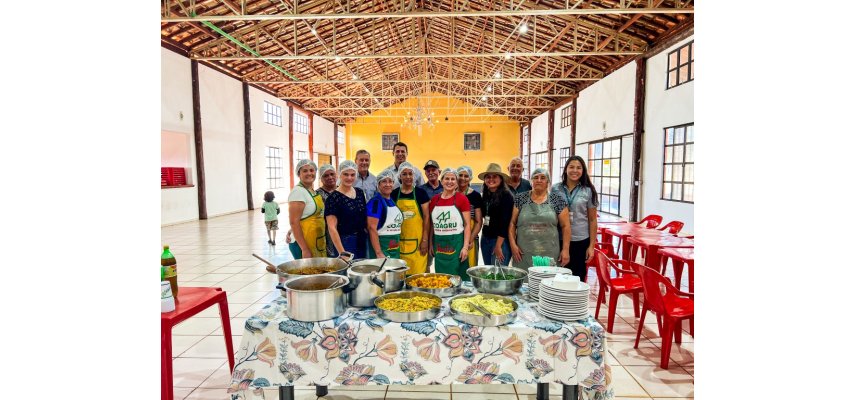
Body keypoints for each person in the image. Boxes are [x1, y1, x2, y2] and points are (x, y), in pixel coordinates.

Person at [508, 168, 571, 271]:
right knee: (524, 283)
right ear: (531, 181)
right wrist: (513, 245)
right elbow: (512, 223)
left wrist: (565, 249)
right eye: (535, 177)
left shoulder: (557, 200)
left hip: (550, 252)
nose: (539, 180)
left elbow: (566, 226)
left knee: (548, 282)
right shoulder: (520, 198)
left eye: (543, 178)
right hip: (523, 253)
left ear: (548, 182)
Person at [552, 155, 599, 282]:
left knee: (577, 277)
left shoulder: (588, 191)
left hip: (580, 240)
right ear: (566, 169)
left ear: (583, 170)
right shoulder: (555, 189)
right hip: (559, 238)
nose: (575, 170)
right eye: (571, 167)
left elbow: (592, 220)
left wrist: (591, 246)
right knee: (558, 276)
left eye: (579, 168)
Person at [428, 168, 471, 280]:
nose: (450, 181)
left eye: (453, 179)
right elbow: (432, 225)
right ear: (441, 181)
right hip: (439, 246)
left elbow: (467, 225)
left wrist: (465, 247)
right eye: (447, 178)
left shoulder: (462, 199)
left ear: (456, 183)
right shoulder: (434, 200)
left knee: (458, 279)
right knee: (441, 279)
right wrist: (430, 244)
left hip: (457, 245)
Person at [392, 162, 431, 275]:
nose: (408, 177)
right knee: (400, 276)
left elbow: (426, 217)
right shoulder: (394, 194)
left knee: (417, 277)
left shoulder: (421, 193)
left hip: (418, 244)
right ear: (399, 176)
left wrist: (425, 240)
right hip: (399, 242)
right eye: (404, 174)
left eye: (410, 174)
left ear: (414, 176)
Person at [325, 160, 368, 258]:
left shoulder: (360, 193)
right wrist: (342, 253)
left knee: (361, 271)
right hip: (345, 242)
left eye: (352, 175)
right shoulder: (333, 198)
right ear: (339, 175)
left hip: (361, 240)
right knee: (347, 272)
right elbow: (332, 228)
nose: (349, 178)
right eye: (346, 174)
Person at [287, 159, 326, 259]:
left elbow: (303, 216)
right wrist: (304, 249)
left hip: (315, 240)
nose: (309, 173)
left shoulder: (311, 190)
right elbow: (294, 222)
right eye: (305, 171)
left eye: (312, 170)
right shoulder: (298, 192)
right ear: (298, 174)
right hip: (303, 244)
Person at [477, 163, 514, 266]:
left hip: (500, 241)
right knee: (488, 273)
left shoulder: (506, 196)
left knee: (498, 275)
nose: (491, 179)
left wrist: (498, 245)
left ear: (501, 179)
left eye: (494, 176)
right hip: (486, 238)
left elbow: (505, 223)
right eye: (488, 177)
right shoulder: (486, 194)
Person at [366, 169, 403, 259]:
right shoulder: (375, 202)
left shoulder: (391, 201)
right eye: (384, 182)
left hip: (394, 248)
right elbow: (371, 228)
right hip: (382, 249)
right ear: (378, 184)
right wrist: (378, 253)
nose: (388, 184)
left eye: (390, 181)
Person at [457, 166, 484, 268]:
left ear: (470, 178)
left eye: (466, 176)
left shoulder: (475, 196)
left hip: (471, 238)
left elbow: (478, 221)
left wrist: (470, 239)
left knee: (469, 268)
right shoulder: (451, 193)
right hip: (454, 238)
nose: (463, 178)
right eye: (460, 175)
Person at [316, 164, 338, 257]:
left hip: (343, 231)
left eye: (332, 174)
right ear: (321, 178)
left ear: (336, 175)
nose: (330, 177)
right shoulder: (317, 194)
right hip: (325, 232)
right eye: (326, 175)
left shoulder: (343, 191)